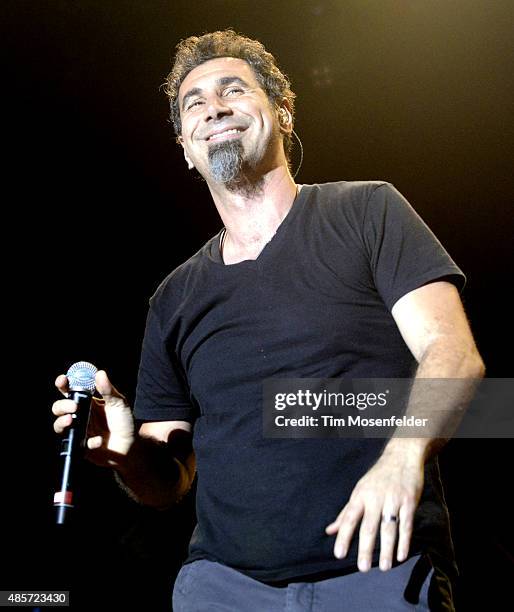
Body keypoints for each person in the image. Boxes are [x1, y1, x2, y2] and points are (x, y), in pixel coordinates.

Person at [52, 29, 485, 611]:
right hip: (222, 588)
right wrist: (128, 454)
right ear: (185, 145)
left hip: (375, 572)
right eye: (195, 103)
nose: (215, 108)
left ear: (282, 113)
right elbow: (168, 482)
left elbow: (454, 354)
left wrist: (402, 456)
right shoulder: (174, 297)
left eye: (234, 90)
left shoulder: (367, 212)